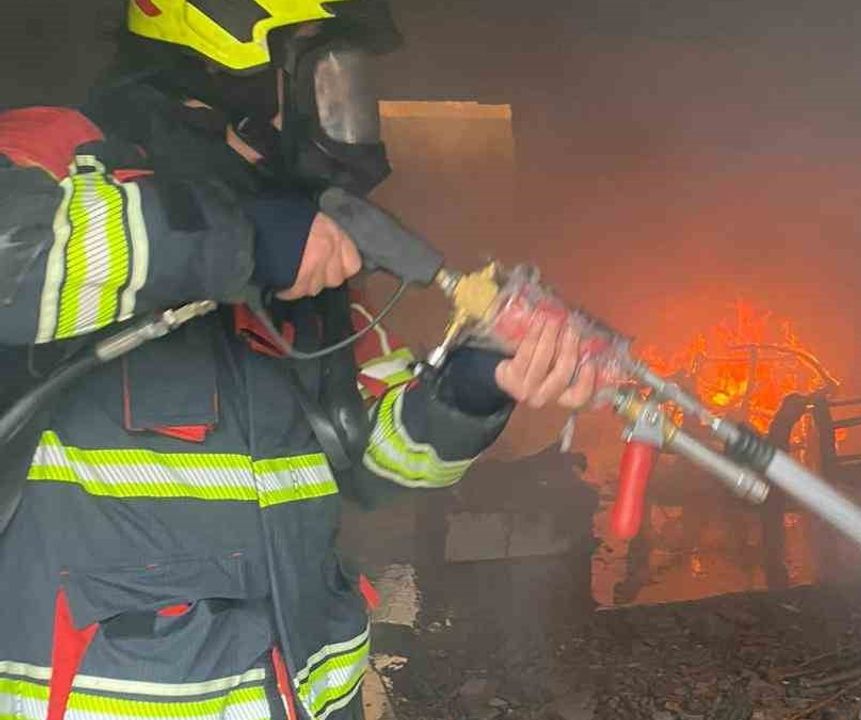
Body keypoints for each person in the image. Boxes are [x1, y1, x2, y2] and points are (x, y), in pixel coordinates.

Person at [0, 2, 594, 719]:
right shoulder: (54, 155)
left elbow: (371, 465)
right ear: (234, 61)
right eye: (330, 76)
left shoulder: (304, 244)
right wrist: (237, 240)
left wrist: (470, 388)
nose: (346, 111)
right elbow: (19, 262)